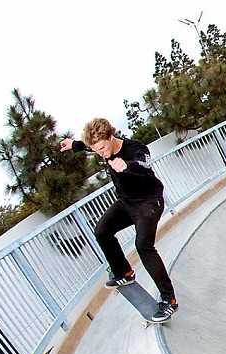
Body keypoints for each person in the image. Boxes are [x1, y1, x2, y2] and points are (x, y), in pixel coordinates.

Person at [61, 118, 178, 322]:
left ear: (111, 137)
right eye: (96, 150)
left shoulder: (134, 149)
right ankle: (124, 271)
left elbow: (145, 164)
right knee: (102, 231)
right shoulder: (99, 147)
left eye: (103, 148)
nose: (101, 153)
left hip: (149, 203)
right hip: (127, 203)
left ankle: (169, 300)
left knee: (143, 246)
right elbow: (88, 145)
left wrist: (127, 166)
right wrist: (73, 145)